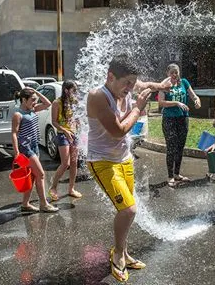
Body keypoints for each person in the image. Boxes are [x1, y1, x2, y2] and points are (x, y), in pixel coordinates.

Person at [86, 54, 170, 282]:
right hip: (102, 161)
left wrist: (161, 85)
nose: (130, 88)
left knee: (127, 209)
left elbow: (146, 85)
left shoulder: (125, 88)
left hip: (124, 159)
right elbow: (118, 130)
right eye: (127, 83)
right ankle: (118, 256)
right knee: (129, 210)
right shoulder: (97, 97)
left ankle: (122, 250)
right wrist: (138, 109)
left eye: (133, 83)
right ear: (110, 76)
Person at [12, 88, 59, 213]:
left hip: (34, 146)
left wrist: (36, 93)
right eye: (32, 100)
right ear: (23, 99)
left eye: (35, 100)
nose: (34, 102)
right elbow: (14, 134)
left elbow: (48, 104)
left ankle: (25, 204)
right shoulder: (18, 114)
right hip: (26, 149)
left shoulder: (32, 110)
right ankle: (44, 204)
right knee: (41, 174)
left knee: (33, 176)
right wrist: (16, 152)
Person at [158, 63, 201, 187]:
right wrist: (177, 102)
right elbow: (161, 102)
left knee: (180, 147)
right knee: (171, 147)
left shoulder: (184, 82)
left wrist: (197, 100)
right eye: (172, 72)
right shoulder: (164, 85)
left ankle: (177, 173)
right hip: (169, 119)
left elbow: (193, 95)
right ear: (167, 73)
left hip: (183, 119)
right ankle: (170, 176)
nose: (174, 75)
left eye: (176, 72)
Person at [47, 80, 82, 202]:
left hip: (74, 134)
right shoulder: (56, 103)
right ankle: (53, 187)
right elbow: (54, 121)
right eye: (74, 90)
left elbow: (76, 117)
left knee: (74, 162)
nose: (75, 92)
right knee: (65, 163)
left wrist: (79, 125)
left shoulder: (74, 102)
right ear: (66, 90)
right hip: (62, 134)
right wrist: (65, 131)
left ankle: (71, 189)